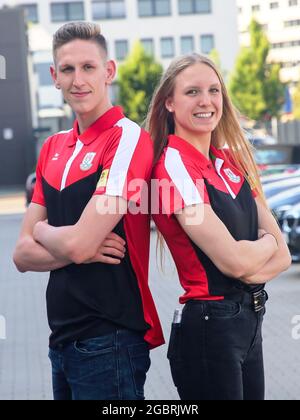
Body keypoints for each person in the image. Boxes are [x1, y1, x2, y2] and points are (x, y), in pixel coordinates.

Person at [13, 21, 164, 401]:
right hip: (60, 342)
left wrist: (46, 232)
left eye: (88, 67)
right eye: (67, 69)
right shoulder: (52, 147)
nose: (78, 80)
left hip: (110, 341)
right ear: (54, 77)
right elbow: (20, 254)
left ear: (109, 71)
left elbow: (73, 245)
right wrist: (73, 243)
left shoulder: (127, 138)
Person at [147, 53, 291, 400]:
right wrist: (266, 244)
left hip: (250, 321)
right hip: (211, 329)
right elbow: (235, 262)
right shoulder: (172, 168)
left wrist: (260, 249)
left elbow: (284, 256)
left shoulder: (232, 161)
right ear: (169, 102)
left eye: (214, 90)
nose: (206, 101)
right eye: (192, 92)